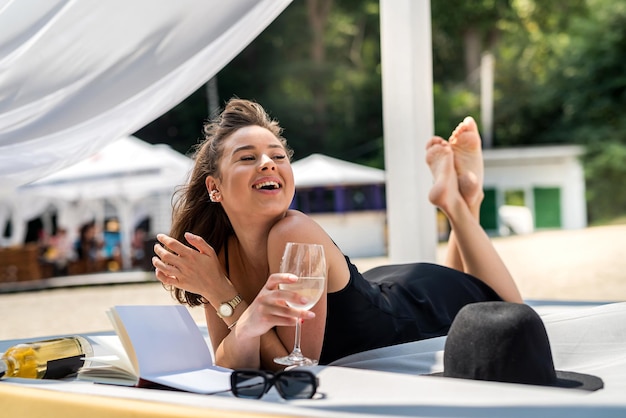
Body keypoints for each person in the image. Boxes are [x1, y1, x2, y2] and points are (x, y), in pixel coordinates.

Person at [152, 98, 523, 371]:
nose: (268, 163)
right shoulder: (218, 256)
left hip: (415, 308)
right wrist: (228, 300)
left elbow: (295, 367)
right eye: (247, 158)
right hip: (376, 289)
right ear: (214, 188)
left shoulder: (293, 232)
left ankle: (457, 204)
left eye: (278, 156)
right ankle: (461, 196)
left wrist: (222, 294)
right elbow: (230, 362)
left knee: (513, 312)